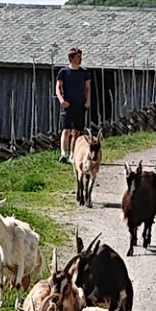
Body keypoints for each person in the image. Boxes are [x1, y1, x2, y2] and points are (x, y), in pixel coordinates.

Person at [54, 45, 98, 201]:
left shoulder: (84, 73)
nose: (80, 58)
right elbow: (58, 87)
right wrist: (61, 100)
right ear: (72, 58)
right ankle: (63, 154)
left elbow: (88, 88)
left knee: (77, 132)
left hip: (80, 104)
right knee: (66, 130)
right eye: (78, 56)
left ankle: (74, 154)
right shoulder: (64, 72)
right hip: (68, 104)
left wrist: (87, 102)